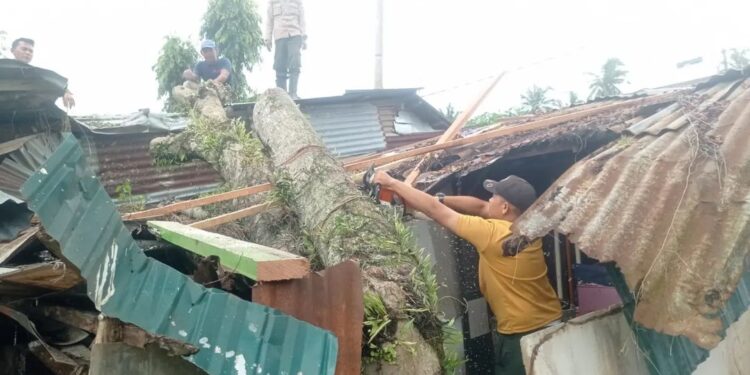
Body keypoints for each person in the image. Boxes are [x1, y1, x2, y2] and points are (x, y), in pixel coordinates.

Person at [371, 172, 562, 375]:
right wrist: (441, 199)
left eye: (493, 197)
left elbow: (438, 213)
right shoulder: (527, 229)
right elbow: (479, 207)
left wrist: (392, 182)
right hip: (550, 323)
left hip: (524, 334)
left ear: (505, 207)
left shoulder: (494, 233)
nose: (489, 200)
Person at [11, 37, 76, 109]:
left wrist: (65, 92)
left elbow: (54, 82)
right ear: (12, 50)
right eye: (24, 49)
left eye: (31, 51)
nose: (27, 52)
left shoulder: (37, 73)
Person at [264, 0, 306, 100]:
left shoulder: (297, 1)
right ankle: (282, 96)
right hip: (280, 36)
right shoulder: (272, 2)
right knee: (279, 66)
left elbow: (302, 20)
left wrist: (304, 37)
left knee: (295, 63)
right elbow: (269, 21)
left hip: (295, 34)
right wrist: (267, 38)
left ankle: (293, 93)